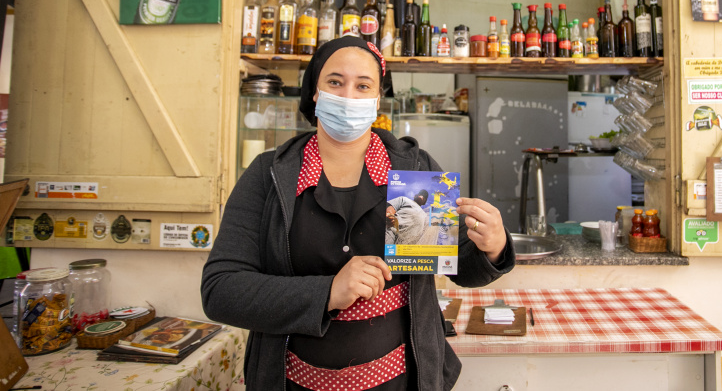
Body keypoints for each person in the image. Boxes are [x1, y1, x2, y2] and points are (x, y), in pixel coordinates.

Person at [201, 36, 515, 391]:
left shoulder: (413, 170)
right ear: (315, 92)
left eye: (363, 85)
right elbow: (221, 291)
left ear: (377, 99)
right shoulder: (268, 176)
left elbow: (456, 266)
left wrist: (492, 246)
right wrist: (328, 292)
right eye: (335, 82)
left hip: (404, 382)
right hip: (289, 383)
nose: (348, 96)